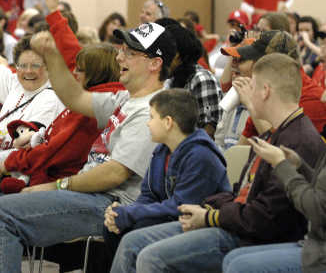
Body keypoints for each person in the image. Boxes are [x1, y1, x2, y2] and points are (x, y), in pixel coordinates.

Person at [0, 0, 177, 272]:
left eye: (130, 54)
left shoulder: (153, 109)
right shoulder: (125, 98)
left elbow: (115, 173)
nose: (119, 58)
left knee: (0, 213)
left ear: (155, 64)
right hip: (88, 194)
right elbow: (75, 97)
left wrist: (54, 186)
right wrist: (52, 57)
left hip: (112, 204)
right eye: (122, 51)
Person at [109, 53, 325, 273]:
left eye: (252, 86)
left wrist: (211, 217)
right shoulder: (275, 133)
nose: (246, 94)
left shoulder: (299, 140)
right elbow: (244, 194)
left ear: (265, 91)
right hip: (237, 223)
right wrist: (208, 206)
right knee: (133, 242)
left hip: (250, 234)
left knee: (151, 257)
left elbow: (268, 217)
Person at [104, 89, 230, 269]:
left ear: (168, 122)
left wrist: (131, 214)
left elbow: (181, 206)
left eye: (151, 117)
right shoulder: (161, 150)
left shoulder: (201, 155)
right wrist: (123, 212)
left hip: (196, 223)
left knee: (136, 232)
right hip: (169, 217)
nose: (148, 123)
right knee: (114, 228)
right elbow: (148, 195)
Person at [222, 139, 326, 273]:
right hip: (315, 244)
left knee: (239, 266)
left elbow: (317, 209)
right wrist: (300, 166)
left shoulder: (302, 137)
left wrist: (282, 166)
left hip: (319, 253)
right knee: (232, 259)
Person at [161, 20, 223, 137]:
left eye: (164, 53)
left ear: (177, 56)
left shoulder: (202, 79)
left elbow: (209, 130)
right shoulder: (170, 79)